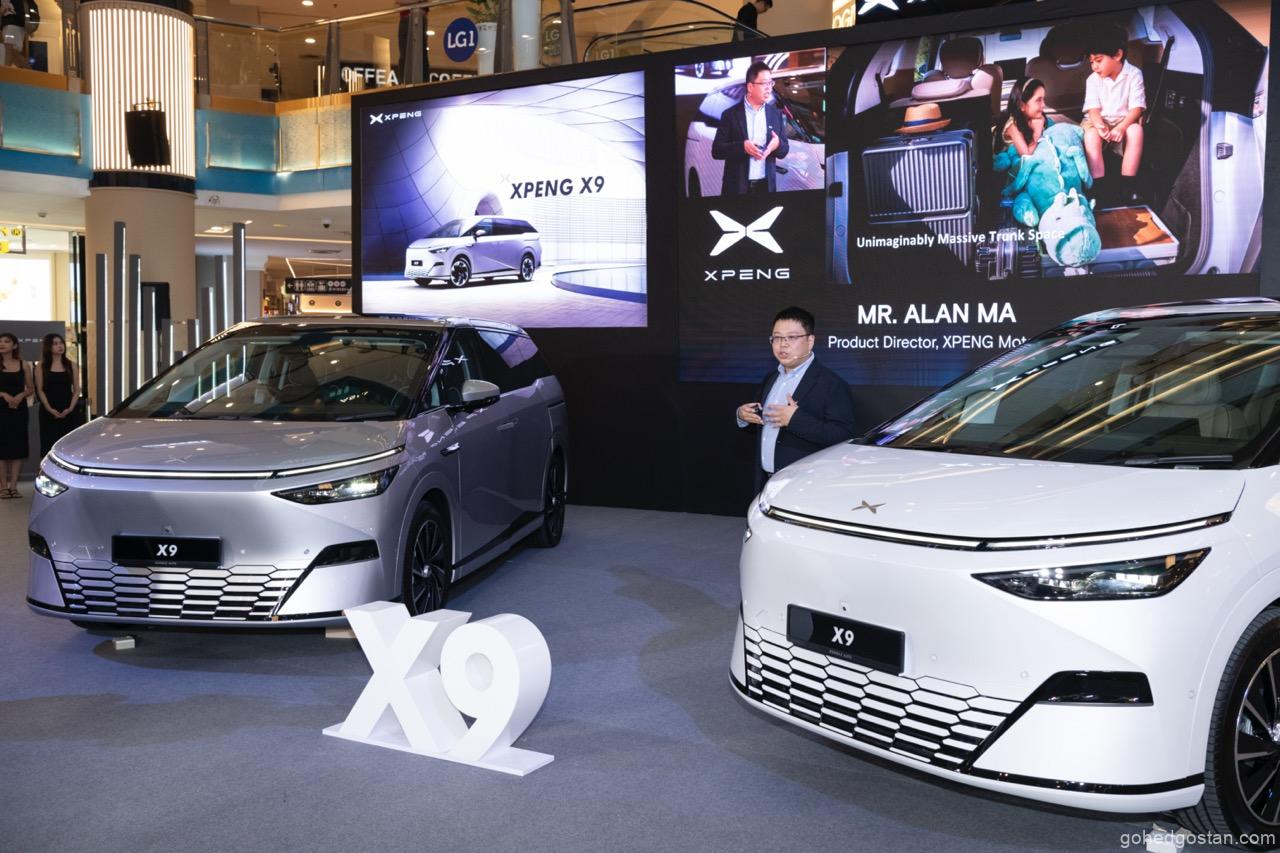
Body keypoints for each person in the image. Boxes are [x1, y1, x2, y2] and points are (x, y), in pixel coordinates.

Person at [735, 307, 857, 491]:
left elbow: (843, 436)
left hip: (806, 487)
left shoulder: (831, 383)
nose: (783, 345)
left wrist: (795, 420)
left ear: (810, 341)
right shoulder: (771, 378)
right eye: (777, 337)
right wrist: (743, 417)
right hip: (765, 482)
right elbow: (766, 425)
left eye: (791, 337)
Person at [1082, 25, 1145, 205]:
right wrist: (1099, 124)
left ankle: (1128, 187)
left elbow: (1137, 108)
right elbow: (1093, 109)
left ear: (1117, 55)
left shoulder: (1134, 74)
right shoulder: (1092, 80)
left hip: (1124, 120)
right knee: (1091, 135)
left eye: (1098, 60)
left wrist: (1122, 127)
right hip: (1098, 121)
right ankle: (1098, 188)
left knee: (1136, 131)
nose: (1094, 67)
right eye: (1091, 62)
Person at [711, 61, 790, 196]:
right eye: (764, 83)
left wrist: (777, 144)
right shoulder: (730, 115)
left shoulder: (775, 114)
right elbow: (716, 151)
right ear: (750, 87)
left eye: (770, 83)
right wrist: (742, 147)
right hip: (737, 190)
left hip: (766, 188)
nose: (769, 88)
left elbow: (784, 150)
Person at [35, 333, 81, 460]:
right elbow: (40, 390)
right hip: (48, 410)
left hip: (69, 408)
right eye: (55, 344)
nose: (60, 346)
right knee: (48, 445)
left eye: (61, 343)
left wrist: (70, 408)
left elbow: (77, 389)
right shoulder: (41, 366)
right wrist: (49, 409)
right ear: (48, 347)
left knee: (69, 445)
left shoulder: (71, 365)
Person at [0, 332, 33, 499]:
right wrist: (3, 394)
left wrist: (21, 395)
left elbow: (31, 388)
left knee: (18, 449)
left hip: (18, 410)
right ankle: (2, 487)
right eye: (0, 341)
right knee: (1, 449)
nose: (2, 344)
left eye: (6, 341)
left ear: (14, 345)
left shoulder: (23, 364)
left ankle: (13, 486)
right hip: (1, 410)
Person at [1002, 77, 1053, 156]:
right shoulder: (1013, 126)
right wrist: (1036, 133)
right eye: (1038, 100)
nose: (1043, 105)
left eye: (1043, 99)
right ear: (1022, 105)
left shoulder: (1039, 118)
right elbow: (1026, 154)